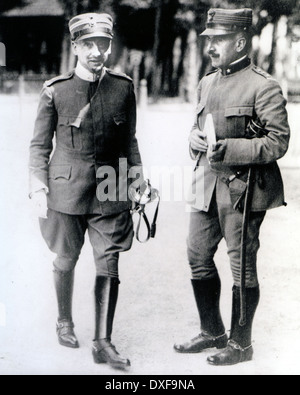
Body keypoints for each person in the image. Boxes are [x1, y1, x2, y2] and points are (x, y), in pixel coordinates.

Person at [174, 8, 290, 366]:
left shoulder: (263, 86)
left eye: (218, 40)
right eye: (208, 40)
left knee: (242, 267)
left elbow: (278, 142)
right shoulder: (207, 82)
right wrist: (193, 139)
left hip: (243, 189)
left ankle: (241, 345)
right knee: (196, 254)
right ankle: (212, 332)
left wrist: (234, 149)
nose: (210, 46)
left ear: (239, 41)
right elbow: (200, 128)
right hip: (206, 185)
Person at [29, 13, 143, 371]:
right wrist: (37, 183)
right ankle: (64, 320)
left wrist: (138, 181)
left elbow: (130, 142)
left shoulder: (123, 87)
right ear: (76, 46)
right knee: (66, 258)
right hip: (66, 187)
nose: (97, 52)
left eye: (103, 44)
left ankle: (103, 341)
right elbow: (38, 146)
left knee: (109, 261)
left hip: (110, 184)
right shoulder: (56, 90)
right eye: (89, 44)